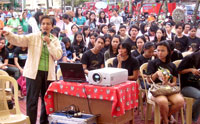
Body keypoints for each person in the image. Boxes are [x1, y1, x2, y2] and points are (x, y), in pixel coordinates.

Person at [0, 15, 62, 124]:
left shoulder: (55, 40)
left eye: (48, 24)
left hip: (49, 74)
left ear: (52, 27)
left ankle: (44, 122)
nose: (45, 26)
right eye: (43, 24)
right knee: (32, 101)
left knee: (46, 101)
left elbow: (57, 55)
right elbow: (19, 40)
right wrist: (9, 35)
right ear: (40, 25)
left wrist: (49, 43)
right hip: (33, 73)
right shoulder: (33, 36)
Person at [146, 41, 184, 124]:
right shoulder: (152, 63)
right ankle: (166, 121)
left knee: (180, 102)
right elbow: (149, 81)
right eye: (158, 50)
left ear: (168, 52)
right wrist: (156, 74)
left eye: (162, 50)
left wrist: (169, 83)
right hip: (155, 89)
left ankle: (163, 118)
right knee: (163, 102)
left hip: (168, 88)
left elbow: (174, 82)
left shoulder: (172, 65)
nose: (160, 53)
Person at [177, 50, 200, 124]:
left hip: (197, 84)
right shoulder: (189, 58)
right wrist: (191, 70)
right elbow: (179, 71)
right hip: (186, 86)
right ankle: (191, 119)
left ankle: (192, 119)